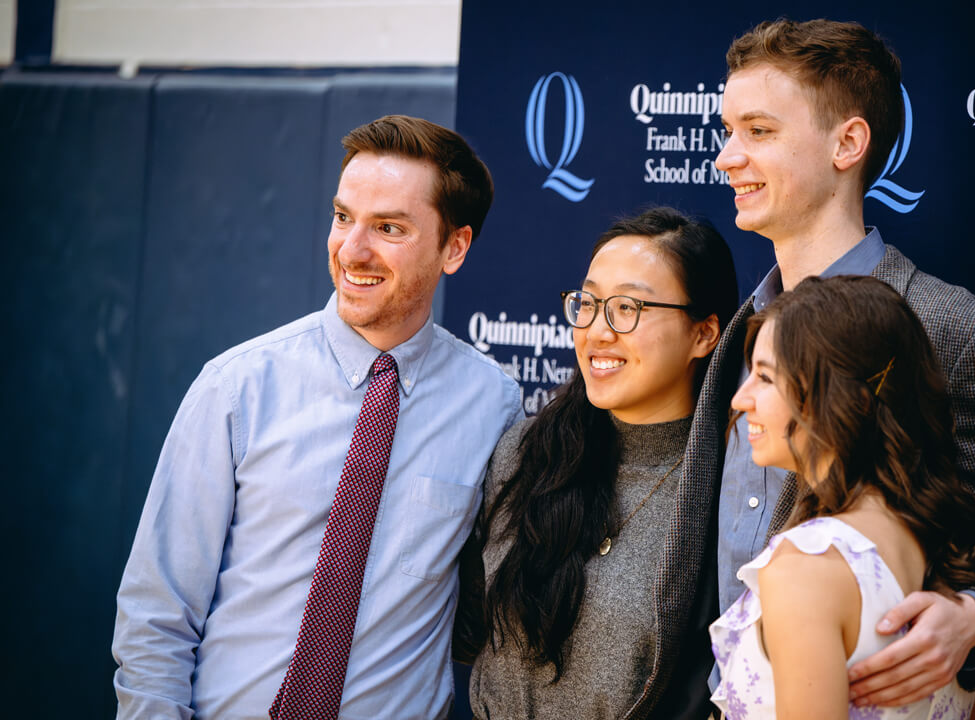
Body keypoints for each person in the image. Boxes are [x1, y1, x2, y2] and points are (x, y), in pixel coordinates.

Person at [692, 18, 975, 707]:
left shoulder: (958, 333)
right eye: (728, 131)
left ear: (848, 143)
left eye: (758, 132)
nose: (727, 157)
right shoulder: (740, 326)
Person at [111, 114, 523, 719]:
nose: (352, 249)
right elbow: (156, 617)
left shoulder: (492, 405)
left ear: (454, 247)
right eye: (342, 217)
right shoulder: (236, 388)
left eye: (388, 227)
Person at [461, 208, 738, 719]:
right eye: (587, 303)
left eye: (628, 307)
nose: (598, 331)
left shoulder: (728, 490)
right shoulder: (526, 453)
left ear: (704, 334)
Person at [712, 274, 975, 719]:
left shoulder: (805, 566)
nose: (740, 398)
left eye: (765, 378)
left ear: (840, 396)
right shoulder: (944, 545)